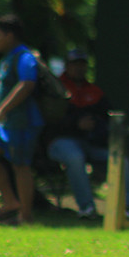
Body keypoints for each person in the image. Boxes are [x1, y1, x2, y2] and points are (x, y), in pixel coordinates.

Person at [0, 14, 44, 226]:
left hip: (22, 121)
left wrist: (1, 109)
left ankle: (25, 216)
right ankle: (10, 201)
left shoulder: (25, 57)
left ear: (9, 35)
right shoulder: (6, 58)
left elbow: (27, 84)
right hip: (5, 123)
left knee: (20, 166)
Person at [45, 50, 111, 220]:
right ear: (67, 66)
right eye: (75, 64)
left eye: (82, 65)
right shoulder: (56, 89)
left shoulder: (95, 91)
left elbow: (106, 118)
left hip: (91, 143)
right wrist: (75, 124)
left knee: (118, 159)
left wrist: (94, 125)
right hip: (61, 141)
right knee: (75, 156)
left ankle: (125, 209)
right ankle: (87, 208)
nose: (79, 68)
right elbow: (50, 120)